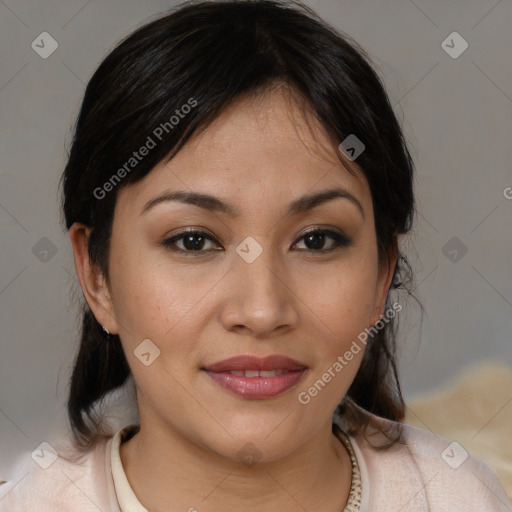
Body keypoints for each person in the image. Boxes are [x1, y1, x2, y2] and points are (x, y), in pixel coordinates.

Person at [1, 1, 510, 510]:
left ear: (382, 275)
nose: (262, 311)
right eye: (193, 241)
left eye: (316, 240)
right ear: (97, 276)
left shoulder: (457, 497)